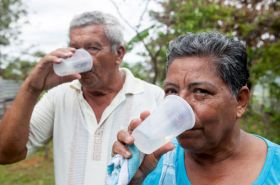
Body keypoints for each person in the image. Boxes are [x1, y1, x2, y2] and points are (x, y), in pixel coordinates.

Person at [0, 11, 164, 185]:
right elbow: (5, 153)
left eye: (92, 48)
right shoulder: (58, 97)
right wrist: (32, 87)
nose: (81, 58)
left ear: (119, 53)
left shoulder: (153, 97)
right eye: (75, 49)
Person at [112, 32, 280, 185]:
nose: (178, 110)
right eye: (172, 91)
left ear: (240, 101)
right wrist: (130, 179)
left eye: (200, 92)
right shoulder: (152, 163)